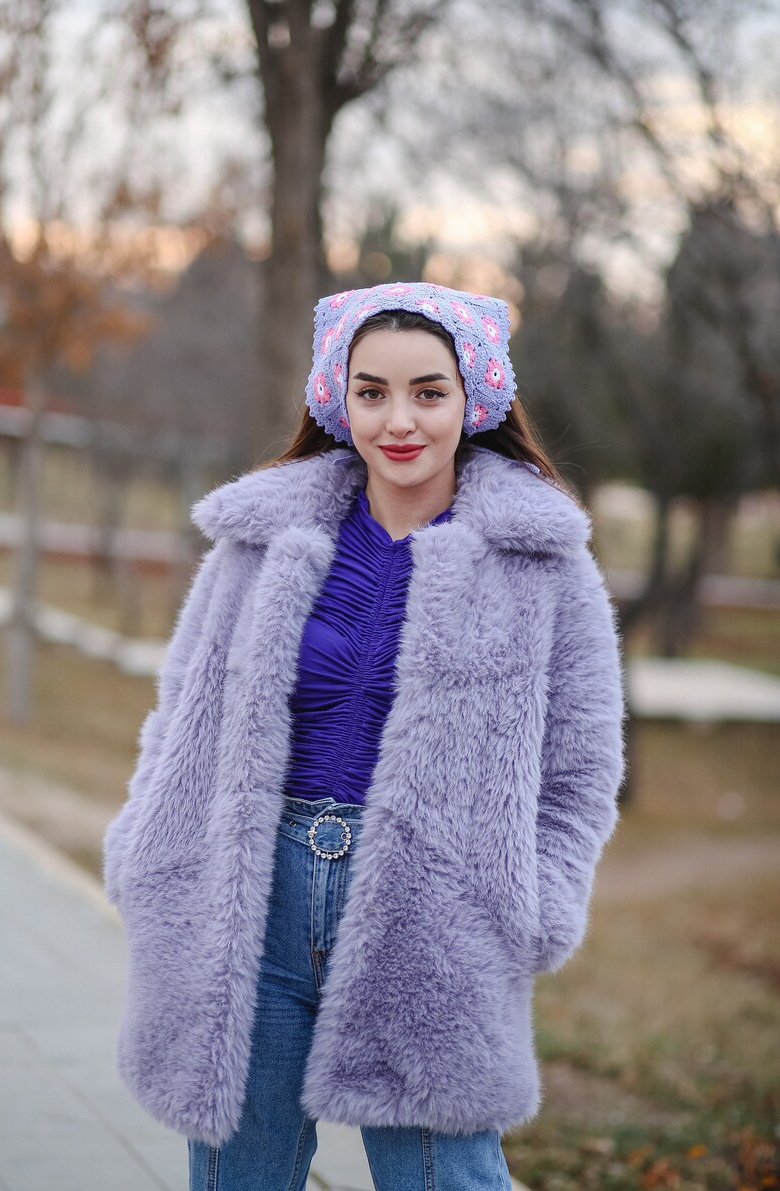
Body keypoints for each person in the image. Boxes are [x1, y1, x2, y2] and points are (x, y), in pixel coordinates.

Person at [102, 281, 626, 1191]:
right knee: (239, 1178)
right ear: (336, 398)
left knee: (442, 1176)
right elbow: (181, 712)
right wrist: (144, 847)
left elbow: (580, 767)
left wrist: (534, 904)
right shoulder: (261, 539)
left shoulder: (543, 566)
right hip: (253, 898)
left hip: (437, 912)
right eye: (373, 390)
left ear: (477, 400)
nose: (400, 420)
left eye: (429, 391)